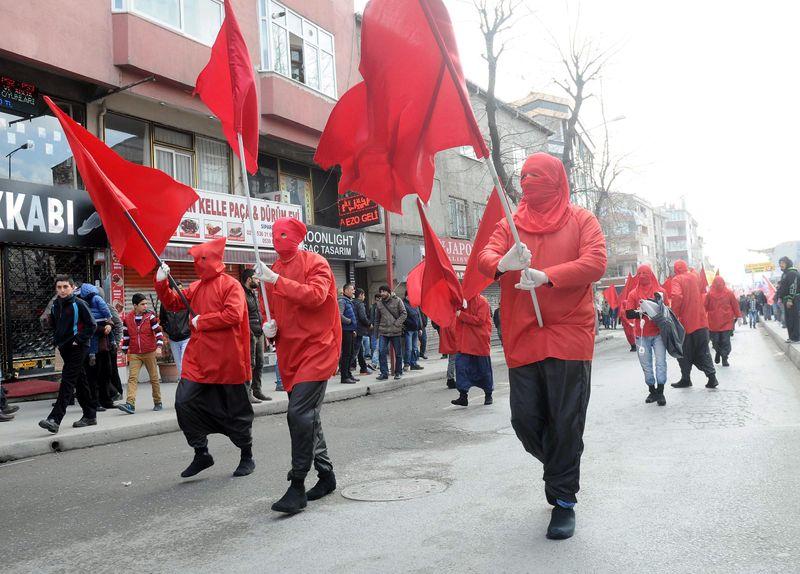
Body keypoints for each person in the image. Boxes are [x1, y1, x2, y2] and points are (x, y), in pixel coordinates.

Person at [478, 152, 606, 540]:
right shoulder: (511, 224)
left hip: (569, 332)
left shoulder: (582, 219)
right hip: (523, 334)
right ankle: (560, 467)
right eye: (524, 175)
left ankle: (563, 499)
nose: (528, 181)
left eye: (537, 175)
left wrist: (545, 275)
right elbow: (483, 258)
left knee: (566, 420)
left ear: (556, 179)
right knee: (525, 420)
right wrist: (504, 263)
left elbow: (596, 262)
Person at [255, 217, 341, 514]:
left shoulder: (316, 262)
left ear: (296, 236)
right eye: (274, 234)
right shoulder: (273, 270)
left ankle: (297, 484)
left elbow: (316, 296)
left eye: (283, 234)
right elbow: (275, 311)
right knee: (309, 418)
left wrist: (277, 281)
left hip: (317, 350)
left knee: (299, 414)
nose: (278, 239)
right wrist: (271, 328)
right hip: (290, 355)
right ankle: (327, 475)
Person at [156, 238, 255, 478]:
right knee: (183, 402)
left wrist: (204, 320)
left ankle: (246, 455)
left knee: (236, 410)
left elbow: (233, 314)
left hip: (227, 359)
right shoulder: (196, 287)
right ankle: (201, 452)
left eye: (199, 259)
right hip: (199, 360)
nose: (196, 264)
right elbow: (172, 301)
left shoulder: (231, 285)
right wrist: (161, 282)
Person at [38, 275, 98, 433]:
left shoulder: (80, 304)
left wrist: (78, 340)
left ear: (72, 288)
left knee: (67, 381)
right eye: (59, 287)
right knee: (80, 381)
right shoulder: (55, 305)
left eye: (65, 287)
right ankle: (90, 415)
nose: (62, 290)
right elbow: (57, 326)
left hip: (78, 347)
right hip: (64, 347)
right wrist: (56, 339)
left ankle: (54, 419)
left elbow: (92, 325)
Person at [670, 260, 718, 389]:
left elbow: (677, 296)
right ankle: (712, 377)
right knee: (703, 350)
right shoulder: (695, 276)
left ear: (676, 269)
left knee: (684, 352)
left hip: (686, 324)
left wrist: (674, 315)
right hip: (701, 321)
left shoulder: (677, 279)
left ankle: (686, 379)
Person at [625, 265, 668, 406]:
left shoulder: (660, 292)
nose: (642, 275)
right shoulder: (633, 293)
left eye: (645, 273)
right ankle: (652, 390)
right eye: (640, 273)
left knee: (661, 362)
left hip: (658, 334)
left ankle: (660, 392)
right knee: (646, 365)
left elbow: (667, 311)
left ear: (651, 274)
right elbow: (628, 313)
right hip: (641, 335)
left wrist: (656, 307)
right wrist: (643, 312)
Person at [117, 294, 164, 414]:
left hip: (150, 352)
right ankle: (130, 404)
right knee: (132, 378)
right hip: (135, 353)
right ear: (135, 305)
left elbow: (158, 333)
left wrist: (159, 347)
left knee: (154, 378)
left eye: (146, 304)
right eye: (142, 304)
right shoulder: (127, 319)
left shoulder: (151, 317)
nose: (145, 306)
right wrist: (124, 351)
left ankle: (158, 402)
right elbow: (126, 336)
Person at [450, 295, 494, 407]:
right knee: (461, 368)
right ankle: (463, 396)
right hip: (465, 342)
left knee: (483, 370)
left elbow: (480, 320)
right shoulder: (461, 302)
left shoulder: (482, 301)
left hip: (479, 342)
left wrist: (461, 314)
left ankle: (488, 394)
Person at [241, 269, 271, 402]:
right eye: (256, 278)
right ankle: (247, 393)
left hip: (259, 333)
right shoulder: (241, 294)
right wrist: (250, 332)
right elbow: (242, 315)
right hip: (250, 334)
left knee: (260, 363)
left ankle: (257, 390)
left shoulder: (253, 293)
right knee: (249, 364)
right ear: (249, 279)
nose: (258, 280)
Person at [704, 275, 741, 367]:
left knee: (725, 341)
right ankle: (718, 352)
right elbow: (705, 306)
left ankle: (724, 358)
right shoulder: (709, 294)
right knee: (715, 341)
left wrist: (739, 316)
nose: (719, 285)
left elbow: (735, 305)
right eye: (717, 283)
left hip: (726, 322)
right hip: (713, 322)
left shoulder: (729, 293)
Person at [159, 280, 191, 380]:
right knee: (179, 366)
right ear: (171, 290)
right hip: (173, 339)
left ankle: (185, 385)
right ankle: (184, 383)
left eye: (182, 289)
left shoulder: (186, 302)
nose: (180, 292)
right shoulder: (165, 304)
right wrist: (167, 331)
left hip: (186, 337)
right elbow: (162, 319)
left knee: (183, 362)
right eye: (178, 289)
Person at [375, 285, 407, 381]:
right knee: (381, 352)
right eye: (381, 292)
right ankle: (384, 373)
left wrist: (397, 324)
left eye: (384, 291)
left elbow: (404, 313)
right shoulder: (379, 304)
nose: (382, 293)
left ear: (388, 292)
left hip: (395, 332)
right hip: (383, 332)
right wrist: (376, 333)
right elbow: (377, 319)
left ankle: (398, 372)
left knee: (398, 353)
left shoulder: (397, 300)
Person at [338, 283, 359, 384]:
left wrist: (353, 328)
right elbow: (339, 315)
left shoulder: (348, 301)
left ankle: (348, 374)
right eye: (351, 289)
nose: (353, 291)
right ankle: (344, 377)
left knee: (350, 353)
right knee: (346, 354)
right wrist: (349, 321)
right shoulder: (342, 301)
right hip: (345, 330)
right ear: (345, 290)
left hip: (350, 330)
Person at [776, 256, 800, 343]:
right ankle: (791, 337)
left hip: (792, 299)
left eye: (782, 263)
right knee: (788, 319)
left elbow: (793, 286)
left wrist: (790, 299)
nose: (781, 265)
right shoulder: (785, 274)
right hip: (786, 299)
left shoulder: (792, 273)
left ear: (787, 263)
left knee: (794, 318)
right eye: (780, 263)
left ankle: (796, 338)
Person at [353, 288, 374, 374]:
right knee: (355, 351)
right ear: (361, 295)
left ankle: (363, 368)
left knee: (359, 350)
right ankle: (344, 369)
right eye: (364, 295)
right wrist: (369, 324)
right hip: (359, 330)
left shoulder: (352, 302)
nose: (364, 297)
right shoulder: (360, 304)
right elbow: (362, 317)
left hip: (355, 329)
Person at [401, 293, 424, 372]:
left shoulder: (415, 304)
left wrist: (420, 328)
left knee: (415, 347)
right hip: (408, 330)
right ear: (407, 296)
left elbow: (418, 316)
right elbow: (403, 317)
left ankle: (413, 363)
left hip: (415, 330)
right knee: (408, 348)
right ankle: (406, 364)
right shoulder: (403, 304)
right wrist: (410, 323)